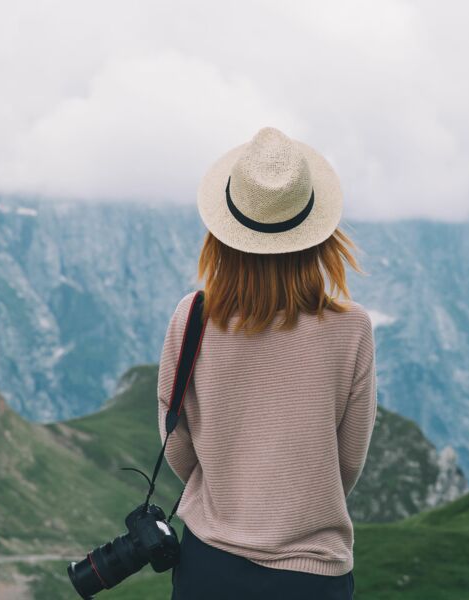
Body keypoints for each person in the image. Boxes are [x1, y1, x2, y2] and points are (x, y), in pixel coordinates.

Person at [157, 126, 377, 599]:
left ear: (224, 232)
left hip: (209, 568)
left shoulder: (192, 317)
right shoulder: (351, 328)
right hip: (313, 575)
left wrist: (232, 495)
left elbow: (176, 445)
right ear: (319, 234)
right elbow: (348, 460)